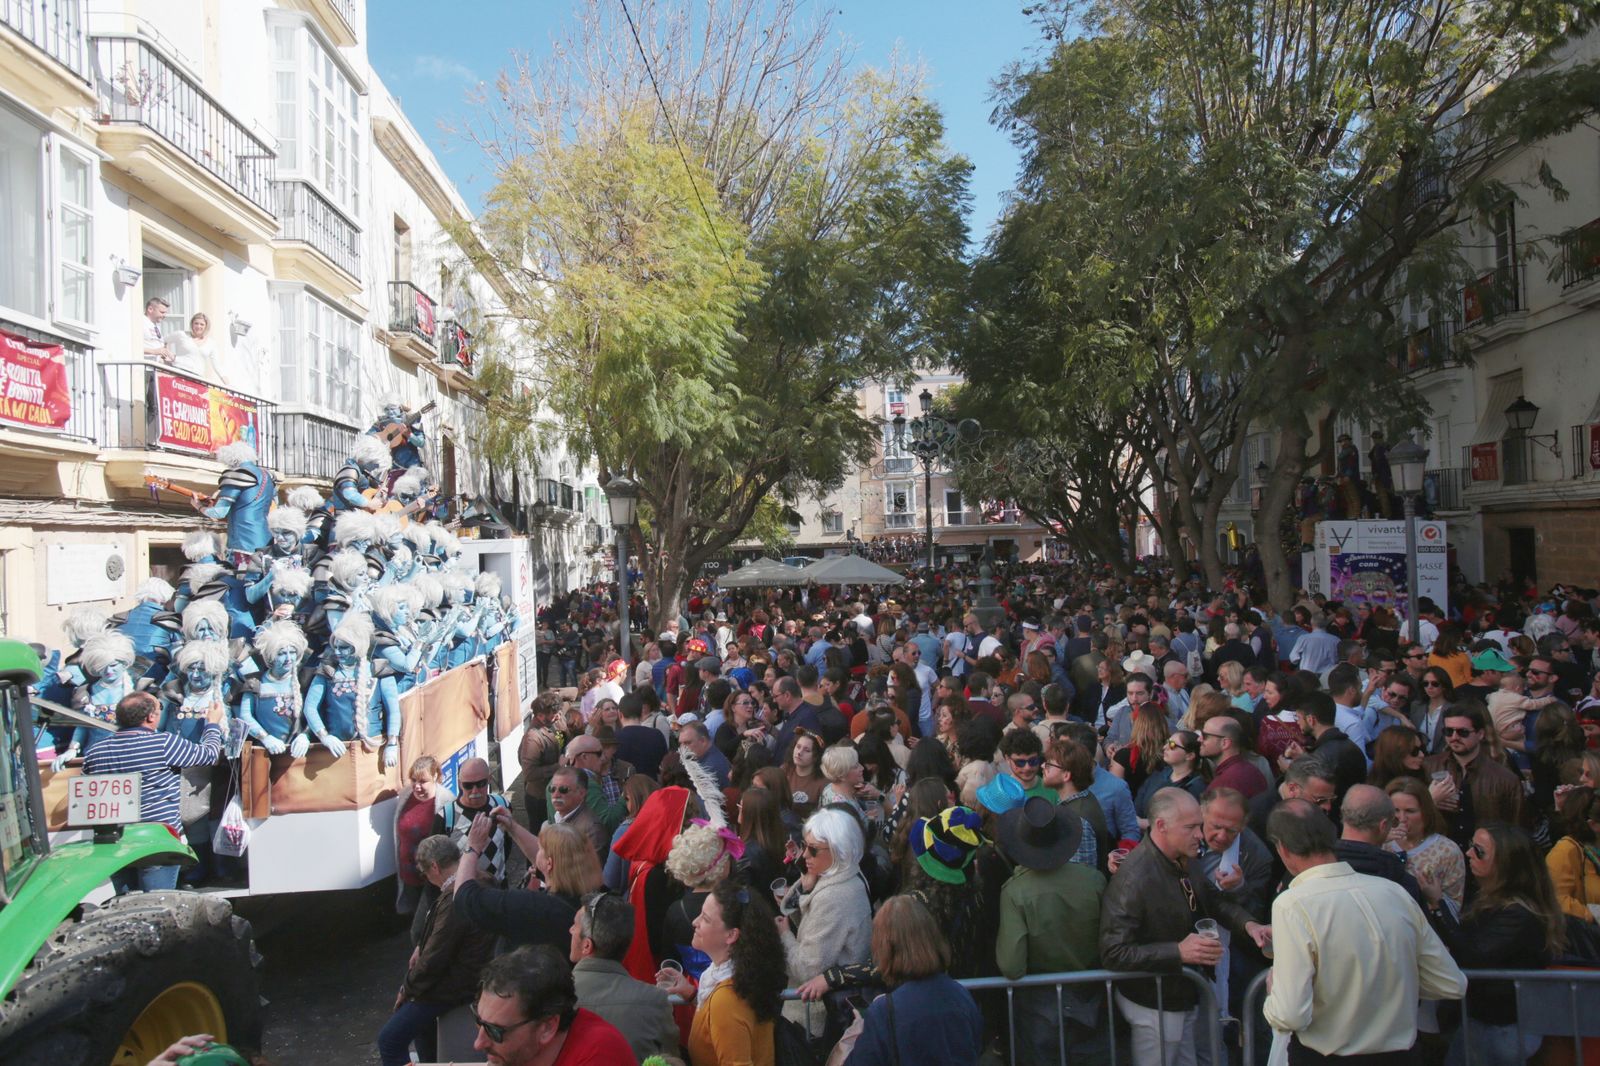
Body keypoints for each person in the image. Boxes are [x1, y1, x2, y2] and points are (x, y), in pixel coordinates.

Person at [1261, 800, 1466, 1063]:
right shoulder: (1395, 892)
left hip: (1329, 1057)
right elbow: (1451, 982)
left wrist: (1273, 996)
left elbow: (1290, 1014)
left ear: (1283, 849)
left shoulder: (1292, 904)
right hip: (1400, 1056)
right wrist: (1388, 984)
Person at [1100, 788, 1270, 1066]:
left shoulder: (1182, 858)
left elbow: (1210, 900)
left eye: (1199, 826)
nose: (1200, 836)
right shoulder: (1134, 879)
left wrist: (1249, 925)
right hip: (1155, 1006)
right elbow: (1113, 952)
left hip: (1182, 994)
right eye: (1191, 827)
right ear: (1161, 826)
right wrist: (1178, 952)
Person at [1435, 824, 1566, 1066]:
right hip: (1481, 1019)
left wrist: (1437, 908)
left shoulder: (1518, 914)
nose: (1469, 854)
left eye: (1479, 851)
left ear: (1505, 865)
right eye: (1471, 846)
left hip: (1502, 1027)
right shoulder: (1489, 899)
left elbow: (1474, 954)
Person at [996, 796, 1108, 1064]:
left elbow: (1012, 965)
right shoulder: (1094, 880)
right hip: (1091, 999)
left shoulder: (1015, 891)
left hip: (1039, 1009)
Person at [81, 691, 222, 894]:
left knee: (123, 908)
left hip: (115, 844)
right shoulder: (164, 743)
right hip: (157, 841)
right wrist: (213, 724)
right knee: (156, 905)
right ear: (150, 717)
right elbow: (208, 755)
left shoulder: (96, 751)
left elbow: (88, 785)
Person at [378, 835, 496, 1066]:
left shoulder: (454, 898)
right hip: (469, 977)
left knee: (389, 1040)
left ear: (434, 866)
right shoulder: (479, 881)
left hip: (453, 984)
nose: (427, 878)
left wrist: (408, 989)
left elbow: (435, 957)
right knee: (423, 1031)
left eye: (424, 873)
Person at [841, 895, 984, 1066]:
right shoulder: (960, 995)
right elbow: (975, 1047)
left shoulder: (885, 1011)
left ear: (886, 947)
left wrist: (858, 1031)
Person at [658, 879, 785, 1066]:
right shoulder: (743, 974)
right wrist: (692, 994)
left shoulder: (726, 999)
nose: (695, 922)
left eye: (705, 919)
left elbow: (728, 1012)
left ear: (731, 935)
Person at [778, 808, 874, 1037]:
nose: (805, 856)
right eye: (805, 846)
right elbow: (812, 928)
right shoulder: (848, 874)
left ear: (839, 851)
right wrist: (807, 887)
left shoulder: (836, 896)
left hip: (817, 1022)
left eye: (813, 850)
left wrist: (783, 936)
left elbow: (807, 969)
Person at [455, 816, 600, 955]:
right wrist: (512, 827)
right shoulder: (593, 898)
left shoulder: (531, 906)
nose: (537, 849)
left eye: (541, 848)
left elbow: (463, 897)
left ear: (549, 863)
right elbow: (551, 861)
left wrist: (472, 847)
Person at [469, 945, 635, 1065]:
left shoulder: (600, 1056)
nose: (479, 1043)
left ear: (547, 1028)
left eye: (495, 1031)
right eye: (479, 1022)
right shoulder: (518, 1057)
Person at [569, 891, 678, 1063]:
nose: (570, 930)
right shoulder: (655, 1001)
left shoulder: (553, 996)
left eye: (574, 925)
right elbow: (671, 1059)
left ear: (587, 945)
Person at [1424, 704, 1523, 849]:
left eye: (1463, 732)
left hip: (1485, 856)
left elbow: (1517, 829)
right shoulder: (1428, 767)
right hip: (1439, 854)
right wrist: (1430, 801)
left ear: (1480, 734)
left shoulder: (1505, 779)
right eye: (1448, 731)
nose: (1454, 737)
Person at [1385, 777, 1467, 909]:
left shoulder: (1447, 851)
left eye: (1410, 811)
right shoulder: (1381, 844)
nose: (1402, 818)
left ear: (1425, 812)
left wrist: (1436, 899)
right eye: (1396, 810)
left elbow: (1455, 907)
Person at [1545, 785, 1600, 922]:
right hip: (1589, 936)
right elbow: (1558, 901)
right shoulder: (1564, 851)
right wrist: (1594, 915)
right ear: (1593, 825)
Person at [1135, 730, 1208, 816]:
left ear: (1189, 756)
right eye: (1167, 742)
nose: (1165, 747)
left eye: (1172, 745)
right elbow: (1138, 806)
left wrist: (1145, 824)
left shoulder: (1196, 786)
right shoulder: (1158, 774)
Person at [1198, 717, 1267, 799]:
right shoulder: (1252, 770)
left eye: (1205, 736)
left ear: (1225, 743)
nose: (1199, 739)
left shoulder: (1224, 785)